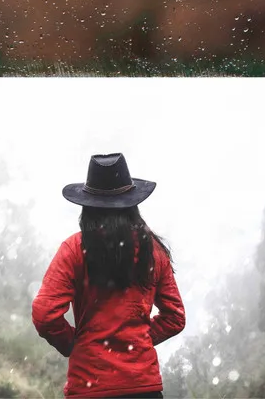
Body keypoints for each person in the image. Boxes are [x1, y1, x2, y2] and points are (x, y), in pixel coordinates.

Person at [32, 153, 186, 399]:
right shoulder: (154, 252)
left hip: (89, 387)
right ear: (133, 204)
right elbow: (175, 317)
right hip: (143, 388)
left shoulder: (74, 249)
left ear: (87, 206)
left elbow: (44, 314)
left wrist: (72, 343)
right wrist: (140, 340)